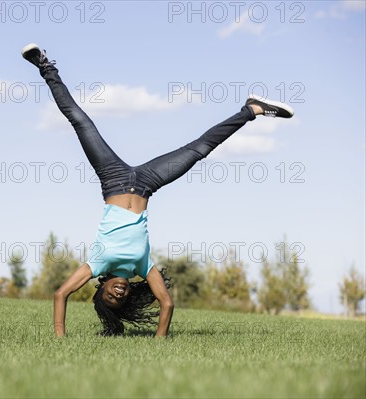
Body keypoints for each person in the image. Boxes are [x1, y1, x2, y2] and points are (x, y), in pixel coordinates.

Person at [21, 43, 294, 337]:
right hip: (147, 183)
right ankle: (251, 109)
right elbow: (167, 303)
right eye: (121, 299)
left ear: (101, 289)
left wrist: (59, 339)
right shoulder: (143, 265)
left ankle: (46, 67)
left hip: (112, 178)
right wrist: (159, 341)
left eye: (110, 296)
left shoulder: (99, 263)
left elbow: (60, 294)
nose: (119, 294)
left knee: (79, 121)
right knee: (200, 149)